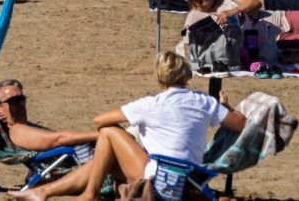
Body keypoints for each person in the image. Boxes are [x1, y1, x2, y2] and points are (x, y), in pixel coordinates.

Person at [13, 53, 245, 201]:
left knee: (109, 134)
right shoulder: (204, 101)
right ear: (186, 76)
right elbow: (239, 123)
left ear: (160, 79)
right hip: (190, 179)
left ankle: (88, 194)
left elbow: (99, 121)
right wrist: (225, 105)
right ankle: (44, 192)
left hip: (160, 180)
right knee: (108, 158)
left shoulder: (151, 104)